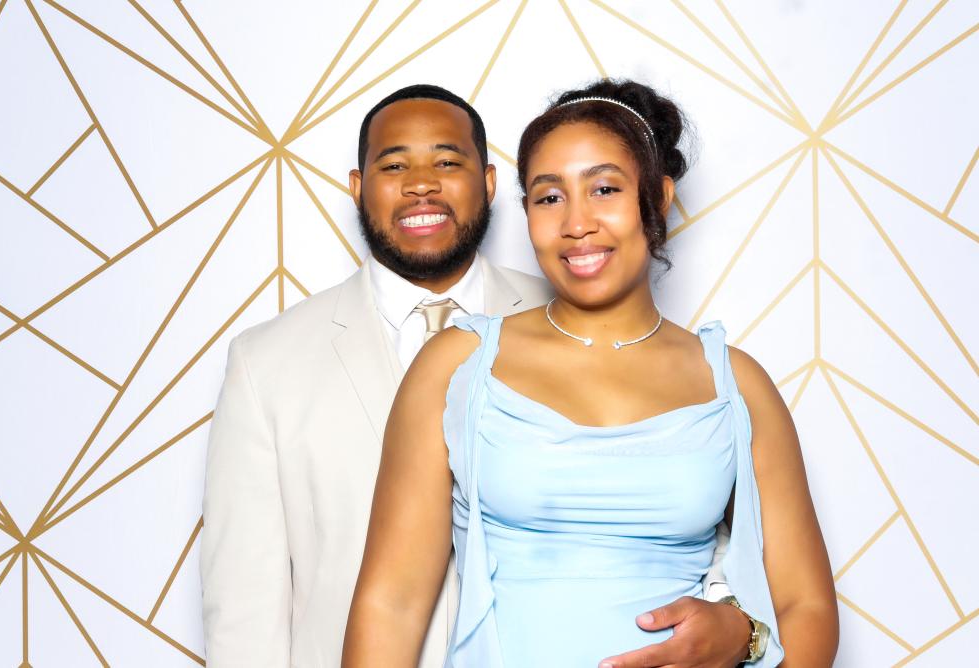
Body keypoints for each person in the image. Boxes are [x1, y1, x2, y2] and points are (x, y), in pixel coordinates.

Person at [201, 84, 770, 668]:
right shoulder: (265, 362)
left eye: (448, 162)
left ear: (491, 184)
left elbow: (693, 526)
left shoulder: (598, 307)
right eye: (394, 165)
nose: (421, 184)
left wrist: (743, 628)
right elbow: (244, 607)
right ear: (356, 186)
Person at [342, 80, 839, 667]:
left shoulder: (735, 384)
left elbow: (806, 606)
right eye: (549, 197)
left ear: (657, 197)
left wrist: (746, 636)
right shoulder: (458, 364)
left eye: (604, 189)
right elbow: (391, 603)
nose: (577, 223)